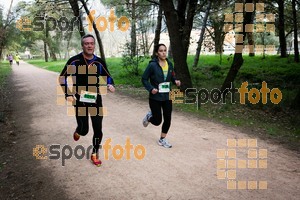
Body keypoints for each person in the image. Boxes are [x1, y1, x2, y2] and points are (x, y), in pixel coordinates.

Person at [59, 34, 115, 166]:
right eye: (86, 43)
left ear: (94, 45)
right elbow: (62, 78)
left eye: (92, 43)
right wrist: (67, 93)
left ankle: (95, 153)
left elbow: (107, 76)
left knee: (98, 128)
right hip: (80, 100)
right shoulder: (74, 61)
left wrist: (110, 84)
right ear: (82, 45)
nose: (89, 45)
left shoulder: (99, 62)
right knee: (84, 130)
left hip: (96, 100)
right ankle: (78, 130)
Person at [141, 44, 181, 148]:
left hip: (167, 96)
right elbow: (144, 79)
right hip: (155, 97)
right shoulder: (152, 65)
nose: (163, 53)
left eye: (165, 50)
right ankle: (149, 117)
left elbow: (172, 76)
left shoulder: (169, 64)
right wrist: (151, 89)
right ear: (157, 53)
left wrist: (175, 81)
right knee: (158, 121)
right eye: (161, 51)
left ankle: (162, 139)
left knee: (168, 118)